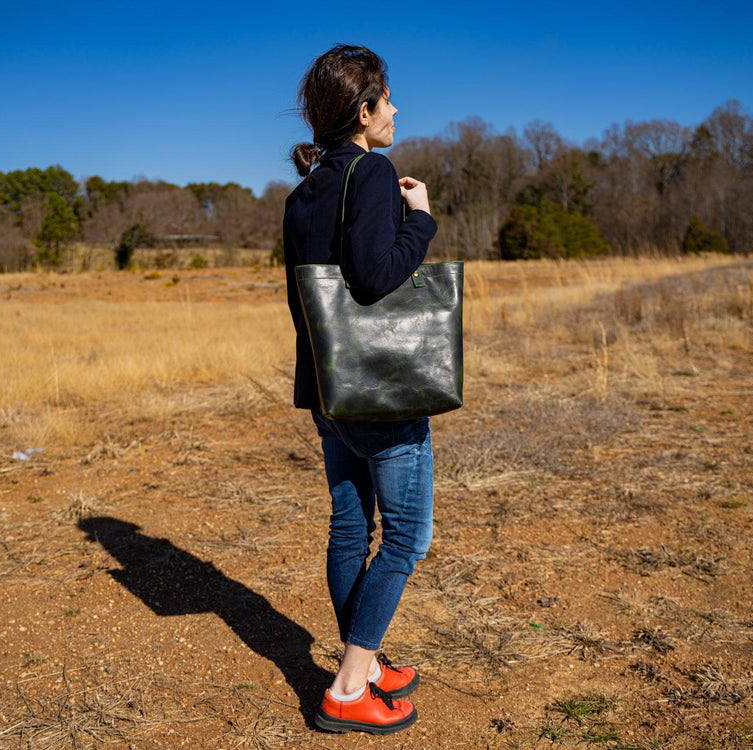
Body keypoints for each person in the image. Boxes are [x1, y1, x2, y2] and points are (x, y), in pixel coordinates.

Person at [282, 44, 438, 735]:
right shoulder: (373, 171)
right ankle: (349, 686)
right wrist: (422, 221)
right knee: (405, 537)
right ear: (364, 111)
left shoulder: (304, 187)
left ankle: (364, 665)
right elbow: (376, 278)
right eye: (388, 100)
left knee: (351, 525)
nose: (396, 110)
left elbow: (309, 295)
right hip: (379, 390)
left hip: (324, 386)